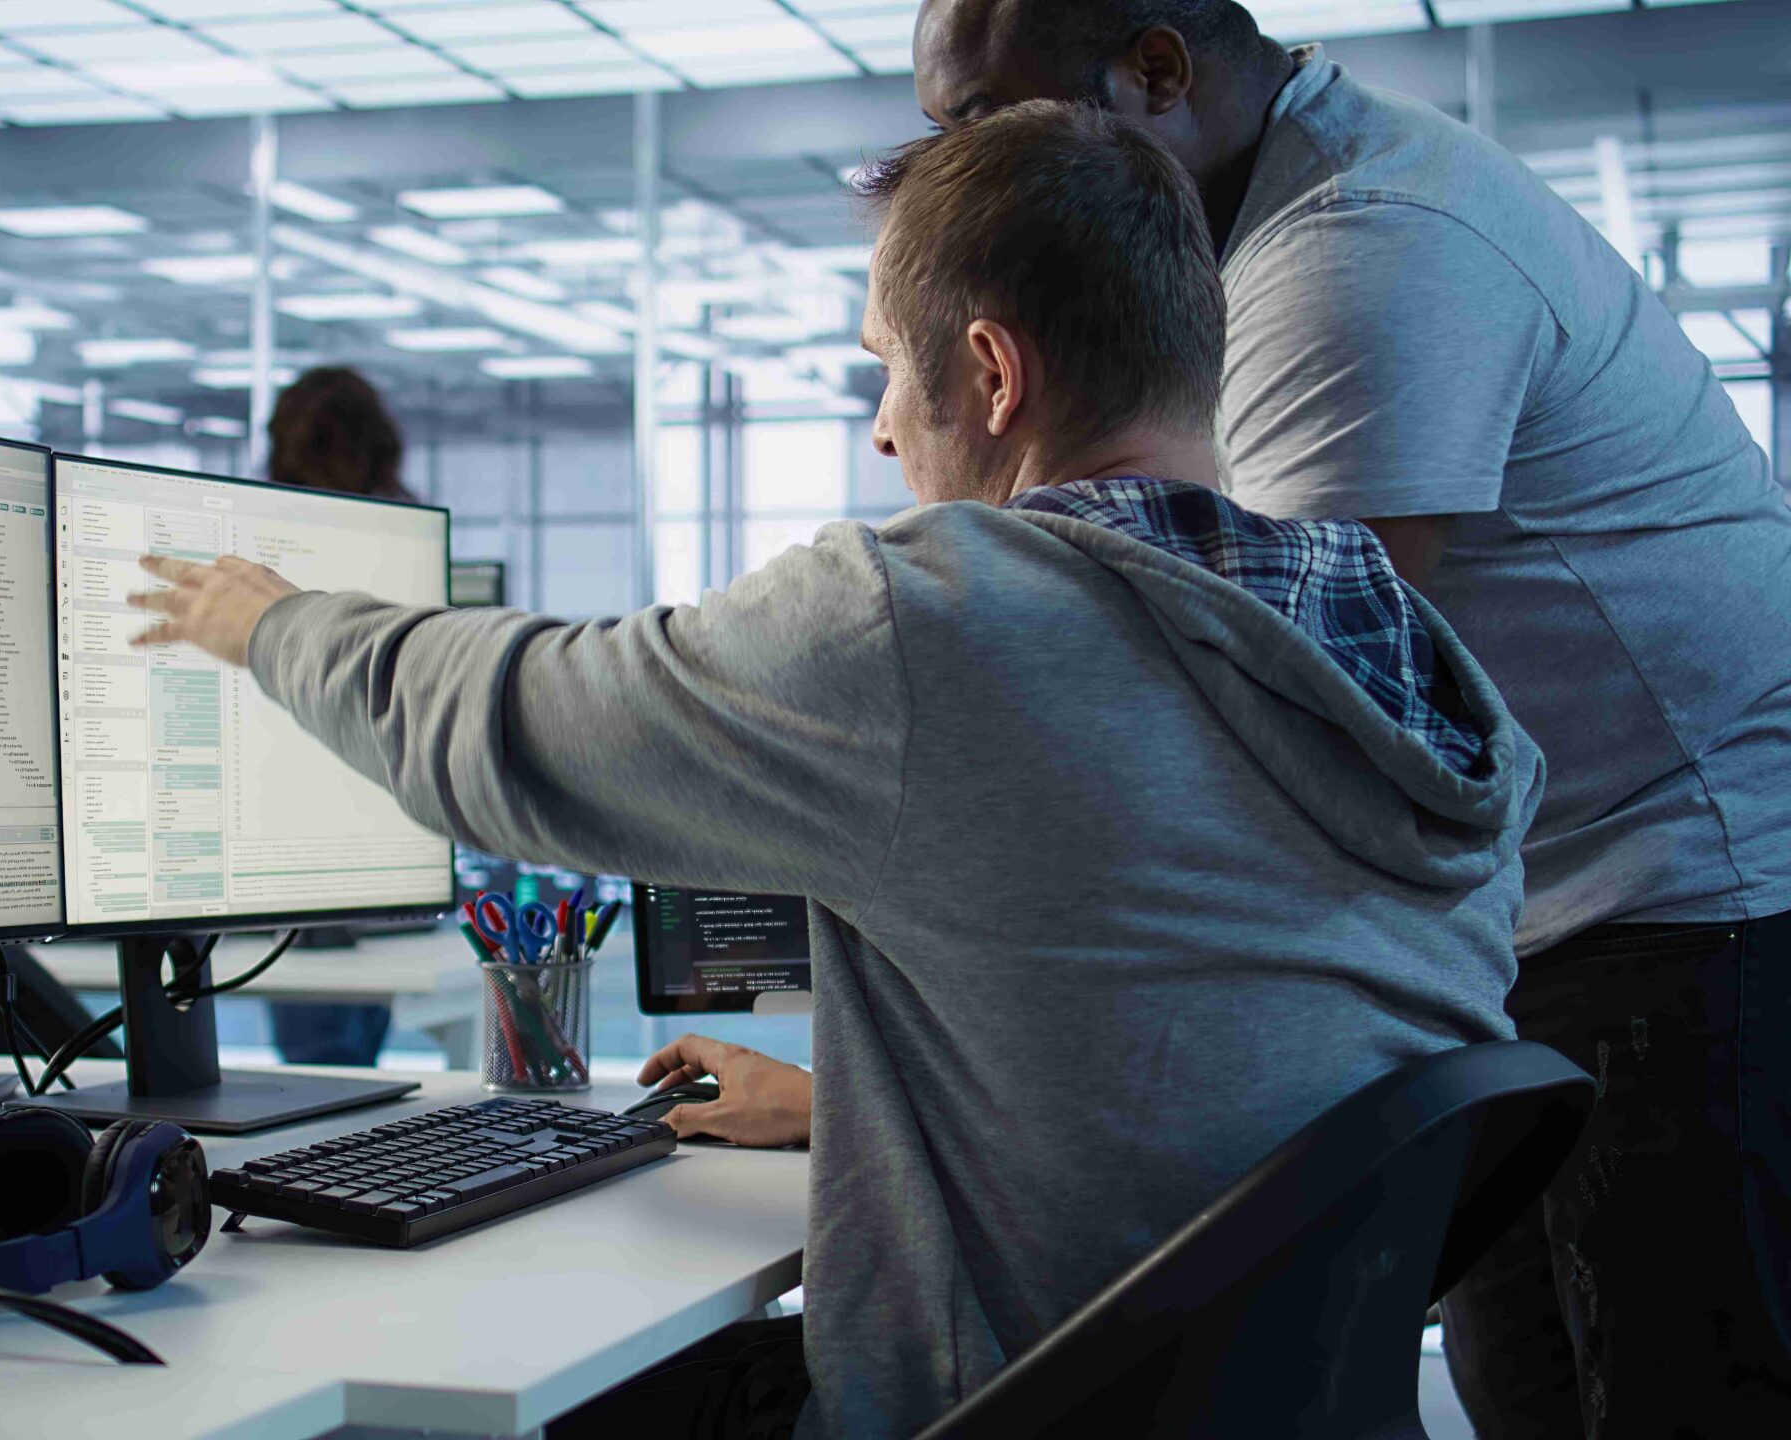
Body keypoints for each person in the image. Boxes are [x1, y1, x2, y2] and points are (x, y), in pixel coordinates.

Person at [124, 102, 1542, 1438]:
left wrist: (271, 622)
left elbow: (519, 729)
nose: (878, 422)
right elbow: (1214, 1042)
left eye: (882, 362)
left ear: (990, 373)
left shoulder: (947, 617)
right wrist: (837, 1111)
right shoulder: (1391, 645)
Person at [908, 3, 1791, 1433]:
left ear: (1156, 72)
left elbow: (1279, 725)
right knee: (1533, 1384)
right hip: (1527, 908)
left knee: (1676, 1390)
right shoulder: (1246, 238)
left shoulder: (1359, 249)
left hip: (1682, 898)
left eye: (988, 122)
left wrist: (913, 1081)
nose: (959, 170)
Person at [258, 365, 415, 1068]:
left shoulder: (258, 544)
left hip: (287, 823)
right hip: (379, 808)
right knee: (346, 1050)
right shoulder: (398, 541)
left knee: (318, 1056)